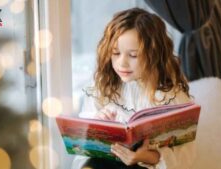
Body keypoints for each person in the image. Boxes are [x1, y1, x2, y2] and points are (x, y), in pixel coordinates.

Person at [71, 8, 196, 169]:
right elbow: (81, 152)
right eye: (115, 53)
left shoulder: (172, 97)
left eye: (133, 55)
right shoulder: (102, 87)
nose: (122, 63)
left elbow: (185, 157)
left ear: (153, 54)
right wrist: (97, 125)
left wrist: (148, 157)